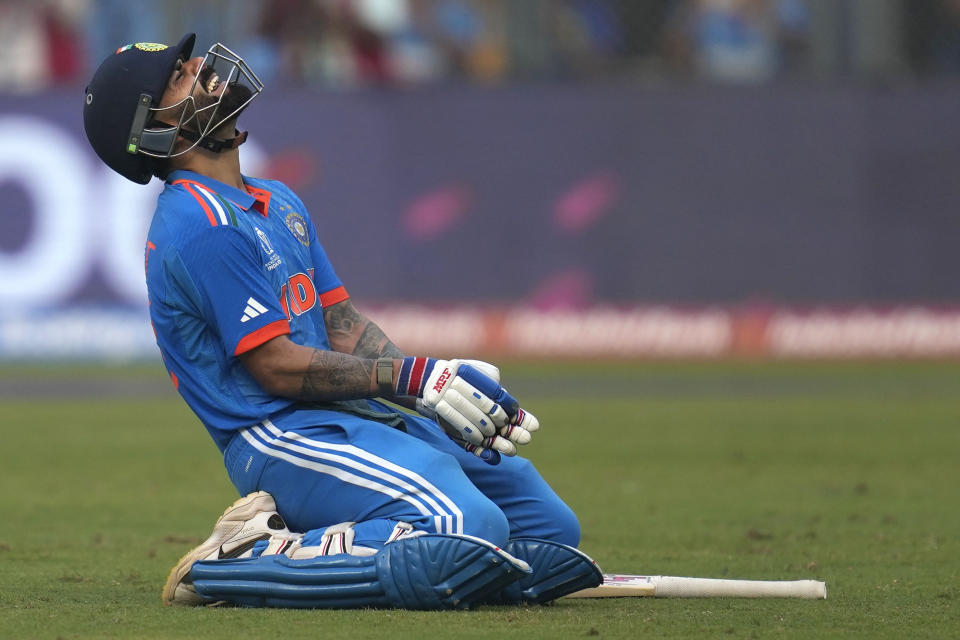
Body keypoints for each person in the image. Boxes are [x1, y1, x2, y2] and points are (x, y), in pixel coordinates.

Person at [82, 33, 600, 609]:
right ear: (157, 131)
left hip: (348, 417)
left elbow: (342, 324)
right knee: (464, 527)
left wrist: (434, 388)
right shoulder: (200, 224)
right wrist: (412, 381)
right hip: (280, 435)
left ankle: (416, 558)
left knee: (548, 533)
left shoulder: (275, 199)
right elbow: (275, 368)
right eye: (180, 75)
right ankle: (236, 560)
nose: (202, 65)